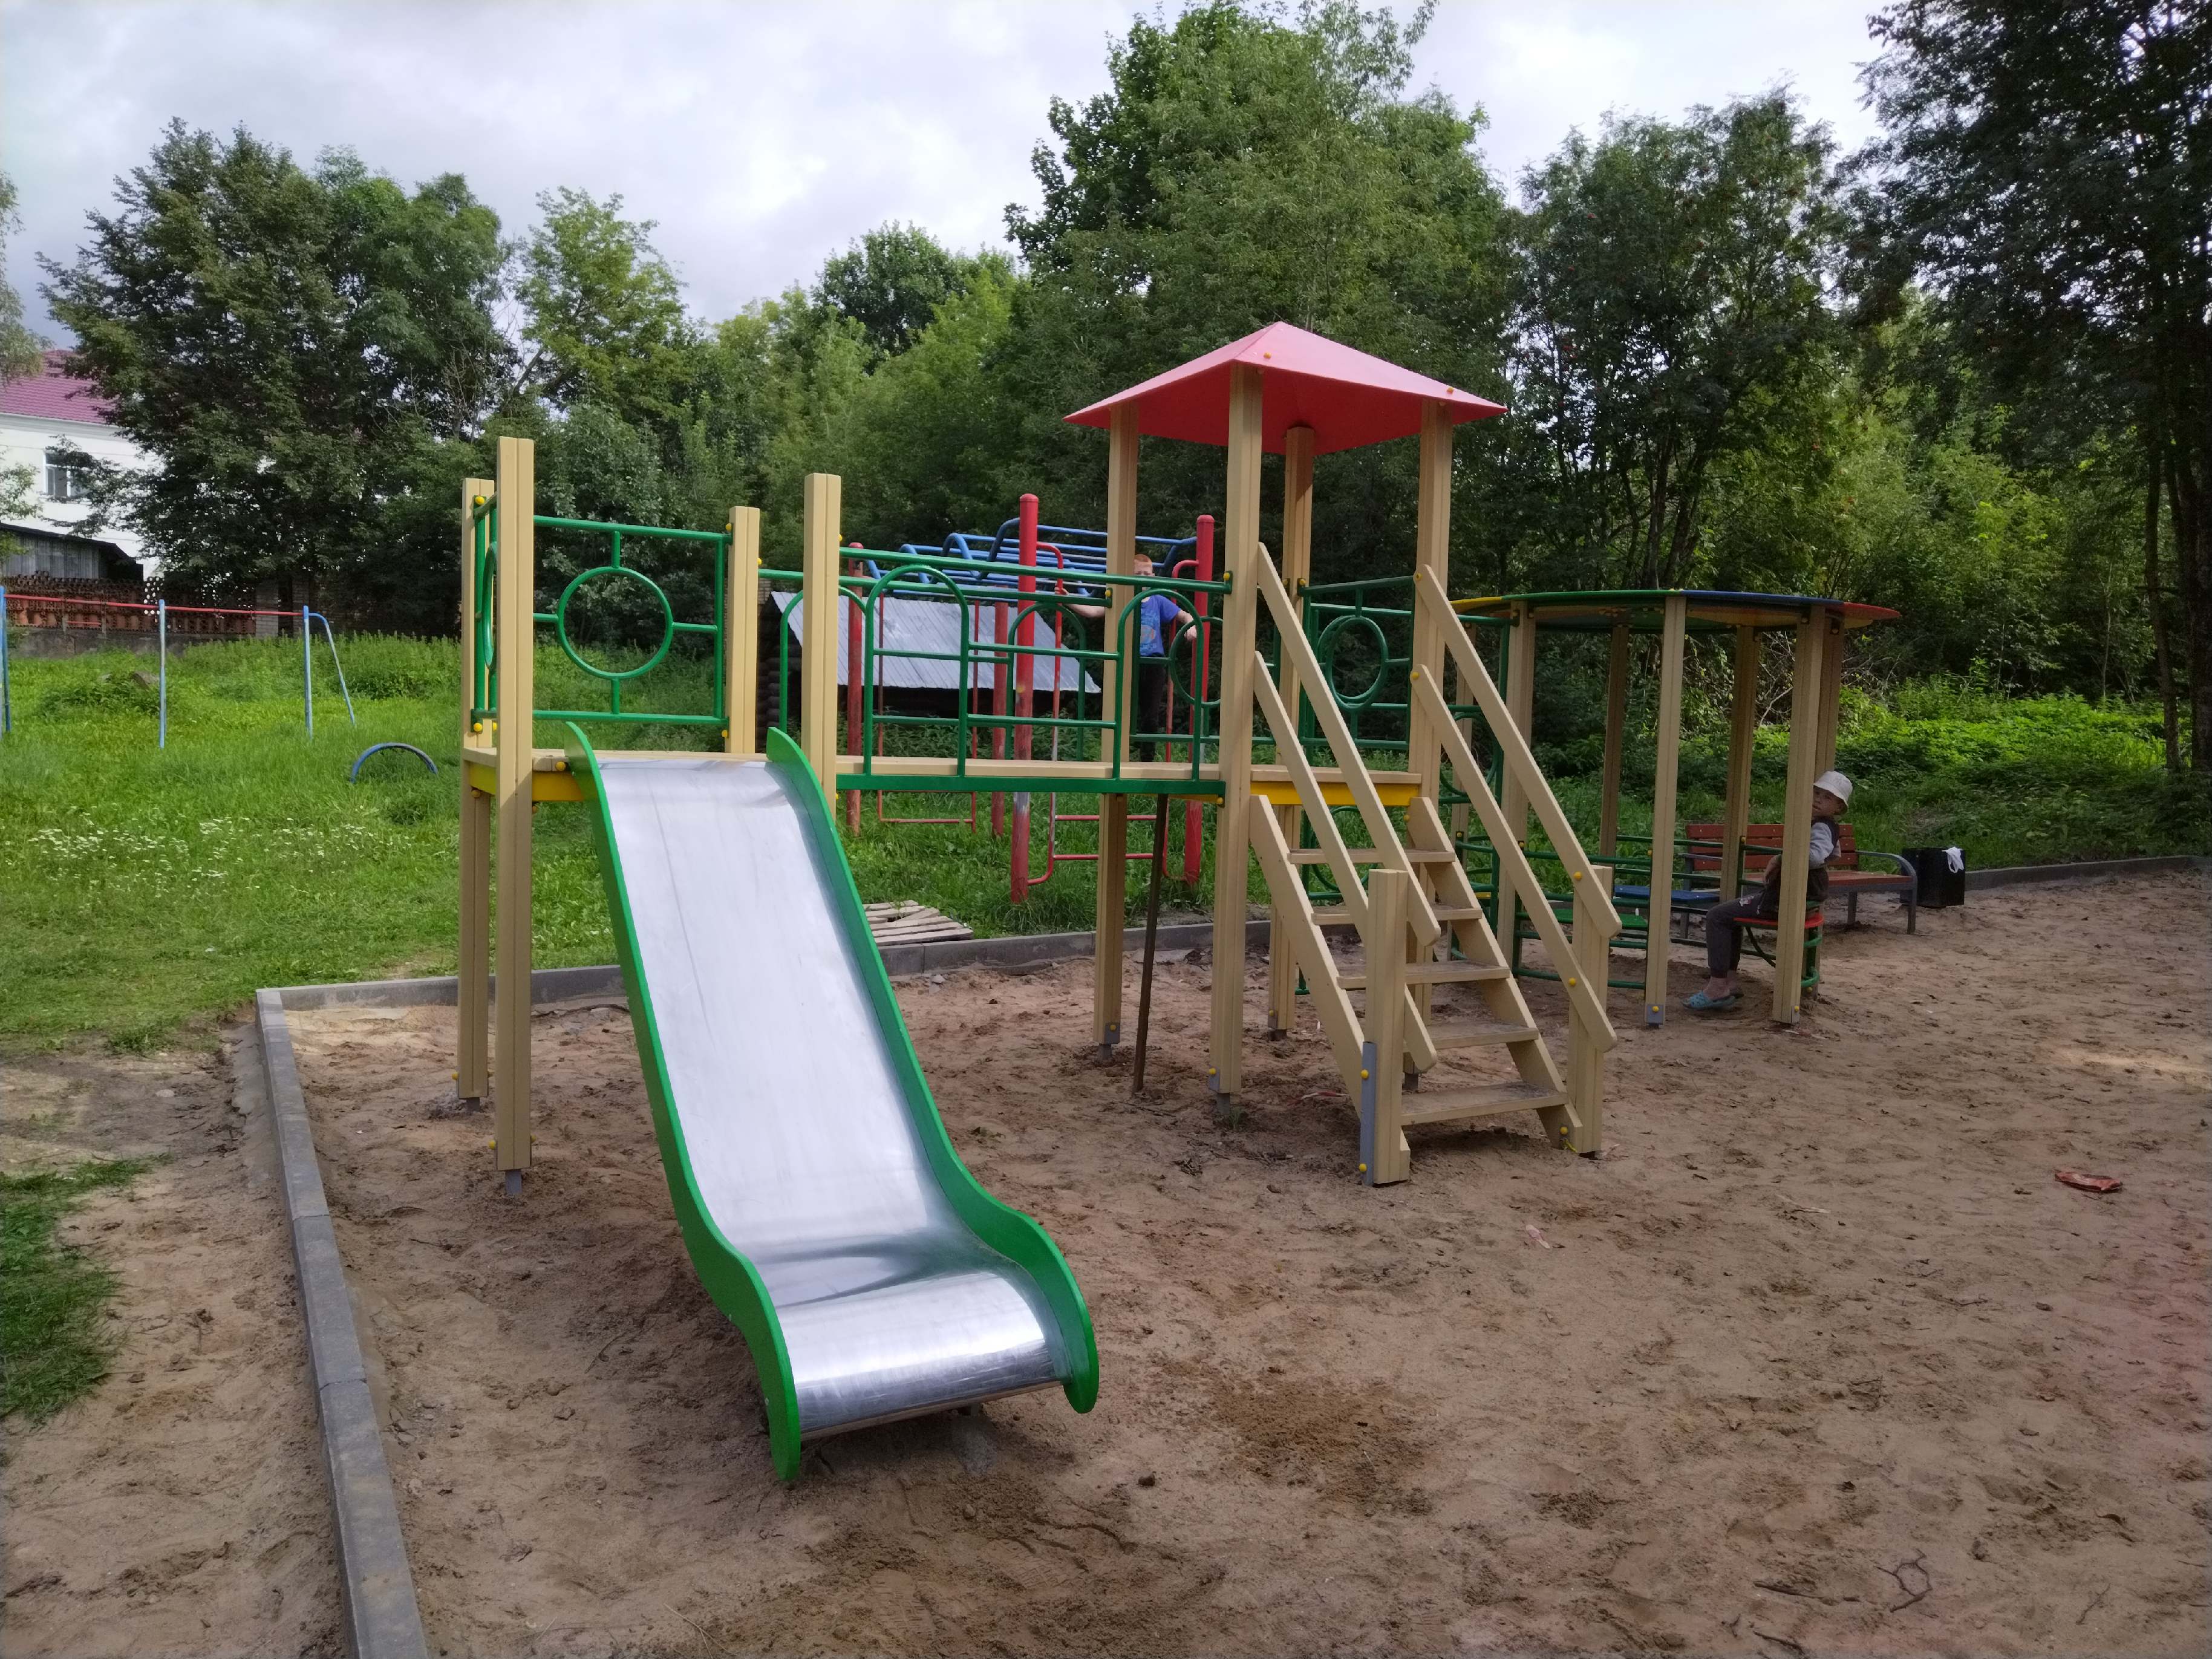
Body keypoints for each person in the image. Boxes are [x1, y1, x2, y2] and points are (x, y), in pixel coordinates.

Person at [1686, 770, 1852, 1012]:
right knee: (1730, 916)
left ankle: (1717, 987)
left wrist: (1781, 859)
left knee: (1717, 916)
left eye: (1827, 797)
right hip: (1802, 898)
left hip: (1783, 901)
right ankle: (1729, 982)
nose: (1818, 799)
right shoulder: (1827, 826)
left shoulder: (1820, 827)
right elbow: (1833, 854)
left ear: (1838, 807)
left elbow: (1815, 856)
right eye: (1817, 793)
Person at [1071, 552, 1196, 760]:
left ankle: (1147, 758)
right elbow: (1093, 611)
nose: (1142, 578)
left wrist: (1192, 626)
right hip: (1128, 661)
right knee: (1122, 709)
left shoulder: (1158, 600)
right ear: (1130, 576)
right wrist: (1068, 600)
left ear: (1153, 577)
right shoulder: (1123, 601)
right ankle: (1118, 755)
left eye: (1146, 574)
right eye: (1138, 574)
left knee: (1151, 714)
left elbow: (1184, 615)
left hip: (1153, 662)